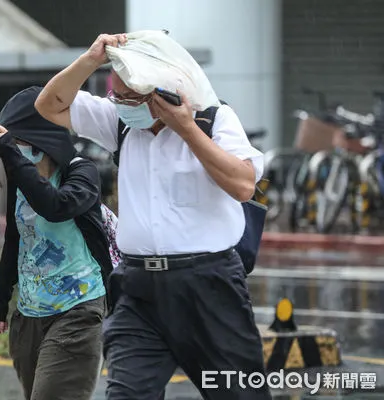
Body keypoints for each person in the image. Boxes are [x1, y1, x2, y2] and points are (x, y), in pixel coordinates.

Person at [34, 33, 272, 400]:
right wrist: (90, 61)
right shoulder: (121, 124)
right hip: (138, 288)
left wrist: (186, 128)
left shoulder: (214, 119)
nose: (124, 105)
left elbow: (243, 185)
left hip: (208, 285)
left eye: (135, 98)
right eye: (120, 96)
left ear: (166, 91)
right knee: (127, 393)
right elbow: (49, 104)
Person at [0, 86, 112, 400]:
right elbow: (16, 240)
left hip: (78, 309)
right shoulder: (20, 180)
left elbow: (56, 207)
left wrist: (13, 157)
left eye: (19, 142)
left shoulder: (81, 172)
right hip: (29, 315)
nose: (15, 150)